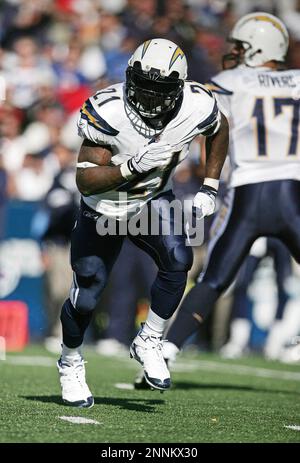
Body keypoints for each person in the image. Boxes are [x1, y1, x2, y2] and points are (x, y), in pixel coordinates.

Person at [57, 38, 229, 407]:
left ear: (178, 88)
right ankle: (70, 361)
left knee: (179, 260)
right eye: (143, 86)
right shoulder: (110, 110)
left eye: (159, 90)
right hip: (104, 207)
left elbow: (218, 128)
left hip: (151, 199)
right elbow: (85, 178)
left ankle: (149, 339)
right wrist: (130, 166)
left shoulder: (197, 104)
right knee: (87, 292)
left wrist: (210, 185)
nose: (148, 97)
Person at [137, 12, 300, 381]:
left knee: (214, 279)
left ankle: (166, 351)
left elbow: (198, 117)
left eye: (242, 47)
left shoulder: (231, 80)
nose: (236, 53)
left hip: (248, 193)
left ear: (258, 48)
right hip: (293, 192)